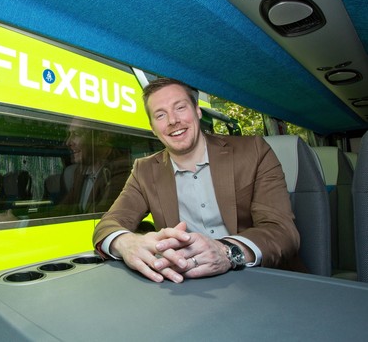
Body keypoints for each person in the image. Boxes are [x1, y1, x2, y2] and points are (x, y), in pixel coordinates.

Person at [93, 77, 300, 283]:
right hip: (186, 286)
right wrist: (127, 243)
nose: (173, 120)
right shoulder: (144, 170)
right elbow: (108, 224)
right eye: (160, 115)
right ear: (153, 127)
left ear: (197, 111)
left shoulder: (254, 150)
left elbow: (282, 231)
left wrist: (227, 251)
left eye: (180, 107)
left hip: (260, 280)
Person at [0, 118, 131, 223]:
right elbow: (63, 211)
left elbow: (98, 219)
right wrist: (20, 219)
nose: (68, 142)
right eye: (69, 134)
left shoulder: (123, 171)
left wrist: (18, 226)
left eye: (77, 134)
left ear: (102, 138)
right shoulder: (81, 172)